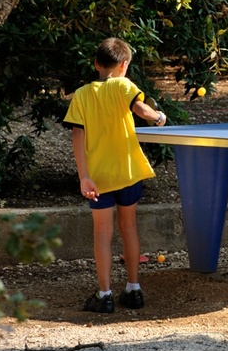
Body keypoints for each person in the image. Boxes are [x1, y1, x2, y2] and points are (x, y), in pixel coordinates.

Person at [63, 38, 167, 313]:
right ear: (124, 65)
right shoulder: (124, 85)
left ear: (96, 64)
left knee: (102, 232)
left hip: (98, 177)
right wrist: (158, 117)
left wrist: (84, 176)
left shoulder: (81, 94)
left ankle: (104, 294)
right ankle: (133, 289)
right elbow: (142, 110)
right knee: (129, 227)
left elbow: (77, 135)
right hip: (127, 172)